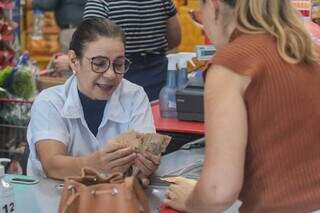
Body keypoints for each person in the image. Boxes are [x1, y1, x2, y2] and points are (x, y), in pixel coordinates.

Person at [164, 0, 320, 212]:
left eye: (200, 15)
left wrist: (192, 202)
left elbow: (218, 190)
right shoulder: (305, 48)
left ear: (214, 6)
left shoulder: (232, 62)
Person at [27, 18, 160, 185]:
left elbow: (146, 155)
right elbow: (52, 165)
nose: (111, 74)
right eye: (99, 63)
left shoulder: (135, 96)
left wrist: (145, 166)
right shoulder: (50, 102)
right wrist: (94, 165)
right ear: (74, 61)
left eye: (119, 64)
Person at [83, 0, 181, 101]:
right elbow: (175, 39)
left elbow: (88, 43)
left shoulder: (101, 1)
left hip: (119, 78)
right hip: (161, 78)